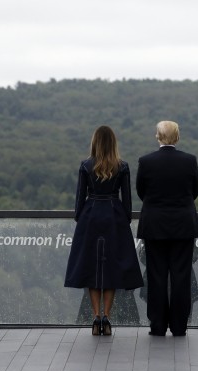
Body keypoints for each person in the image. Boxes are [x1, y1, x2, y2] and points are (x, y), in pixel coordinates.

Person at [65, 125, 144, 336]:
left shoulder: (85, 165)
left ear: (95, 142)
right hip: (114, 216)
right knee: (111, 270)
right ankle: (107, 318)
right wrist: (123, 219)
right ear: (113, 143)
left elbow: (79, 199)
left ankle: (95, 317)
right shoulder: (123, 166)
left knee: (92, 268)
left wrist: (81, 218)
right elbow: (127, 201)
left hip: (90, 217)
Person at [136, 120, 198, 337]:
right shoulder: (189, 161)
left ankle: (157, 325)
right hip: (183, 225)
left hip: (154, 225)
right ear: (177, 137)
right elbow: (195, 190)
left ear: (157, 136)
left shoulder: (146, 162)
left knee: (156, 276)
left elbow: (141, 191)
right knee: (181, 277)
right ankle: (179, 326)